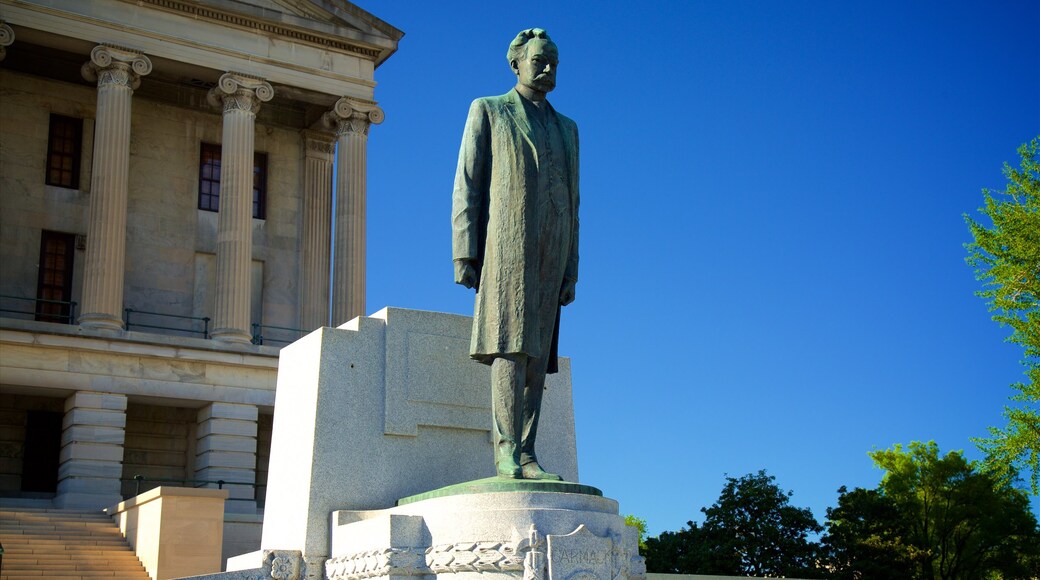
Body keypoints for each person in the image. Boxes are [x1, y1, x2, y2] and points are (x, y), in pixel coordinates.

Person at [451, 28, 579, 480]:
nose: (547, 68)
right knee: (510, 346)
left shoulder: (568, 129)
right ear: (516, 63)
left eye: (554, 62)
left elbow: (574, 200)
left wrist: (571, 268)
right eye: (539, 60)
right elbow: (468, 181)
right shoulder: (488, 110)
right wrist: (464, 251)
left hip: (552, 246)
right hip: (505, 245)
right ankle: (508, 450)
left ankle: (528, 452)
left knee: (538, 354)